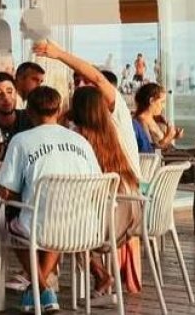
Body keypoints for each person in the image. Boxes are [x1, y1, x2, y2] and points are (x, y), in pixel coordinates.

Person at [0, 85, 100, 312]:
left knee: (8, 221)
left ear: (30, 112)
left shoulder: (22, 140)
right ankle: (42, 290)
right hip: (83, 227)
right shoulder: (81, 141)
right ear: (59, 109)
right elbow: (97, 183)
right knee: (54, 214)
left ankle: (38, 288)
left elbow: (5, 193)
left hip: (44, 227)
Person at [33, 40, 140, 180]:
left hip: (122, 197)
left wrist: (59, 54)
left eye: (86, 80)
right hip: (97, 197)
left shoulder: (118, 114)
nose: (81, 85)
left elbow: (98, 79)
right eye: (77, 81)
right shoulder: (73, 127)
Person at [71, 86, 142, 296]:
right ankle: (100, 273)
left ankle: (98, 273)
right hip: (130, 219)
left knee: (60, 224)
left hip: (104, 226)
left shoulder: (76, 138)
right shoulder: (115, 130)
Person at [133, 83, 183, 151]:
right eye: (162, 102)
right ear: (151, 101)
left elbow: (158, 141)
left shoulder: (154, 119)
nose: (164, 106)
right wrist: (168, 137)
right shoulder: (141, 122)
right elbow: (149, 151)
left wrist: (173, 136)